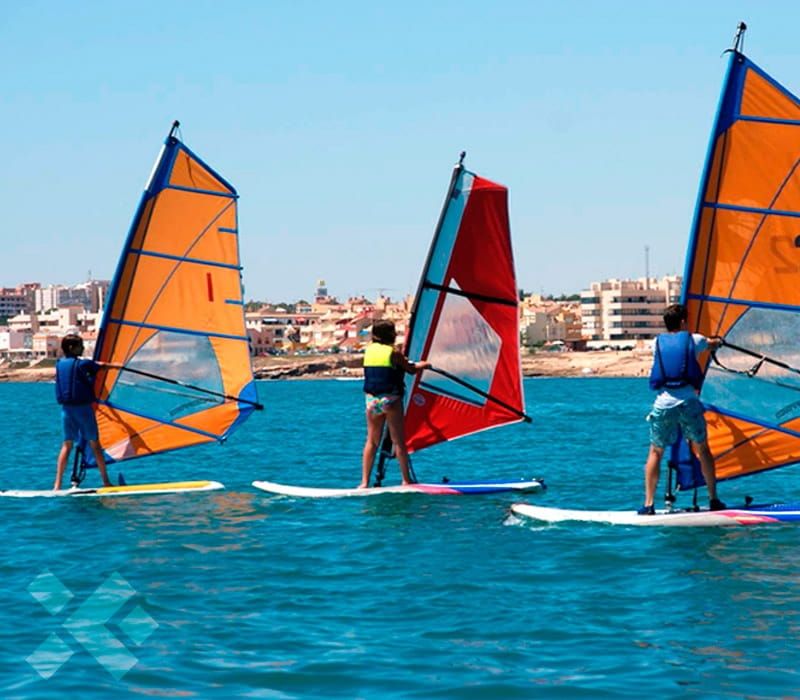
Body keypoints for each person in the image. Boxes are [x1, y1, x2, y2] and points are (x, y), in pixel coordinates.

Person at [639, 303, 725, 515]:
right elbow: (712, 343)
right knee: (703, 449)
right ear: (684, 321)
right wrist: (718, 341)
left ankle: (649, 504)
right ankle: (714, 499)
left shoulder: (655, 342)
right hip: (688, 403)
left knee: (655, 452)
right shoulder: (695, 339)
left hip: (664, 404)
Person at [359, 319, 431, 488]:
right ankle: (406, 480)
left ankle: (364, 482)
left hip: (372, 401)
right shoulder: (393, 352)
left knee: (371, 441)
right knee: (398, 441)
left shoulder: (368, 351)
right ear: (390, 335)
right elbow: (411, 369)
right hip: (390, 400)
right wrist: (424, 365)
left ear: (374, 335)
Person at [54, 334, 112, 490]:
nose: (84, 348)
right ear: (72, 348)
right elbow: (101, 365)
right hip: (84, 410)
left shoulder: (59, 364)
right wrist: (116, 366)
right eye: (81, 345)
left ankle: (57, 485)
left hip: (66, 411)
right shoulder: (82, 364)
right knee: (95, 445)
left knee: (66, 445)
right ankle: (106, 481)